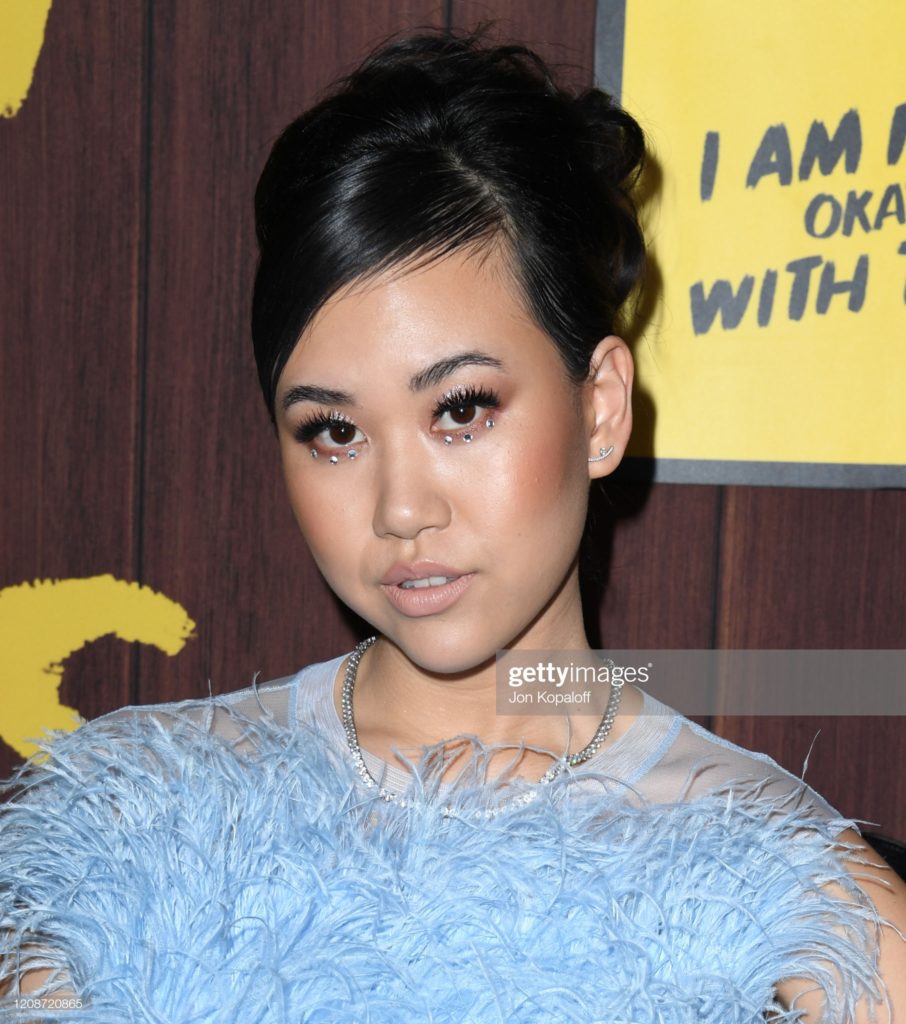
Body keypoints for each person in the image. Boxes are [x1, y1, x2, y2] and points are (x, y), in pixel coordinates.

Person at [2, 25, 905, 1023]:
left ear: (601, 408)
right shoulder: (125, 833)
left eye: (461, 408)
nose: (400, 509)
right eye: (333, 430)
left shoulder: (786, 893)